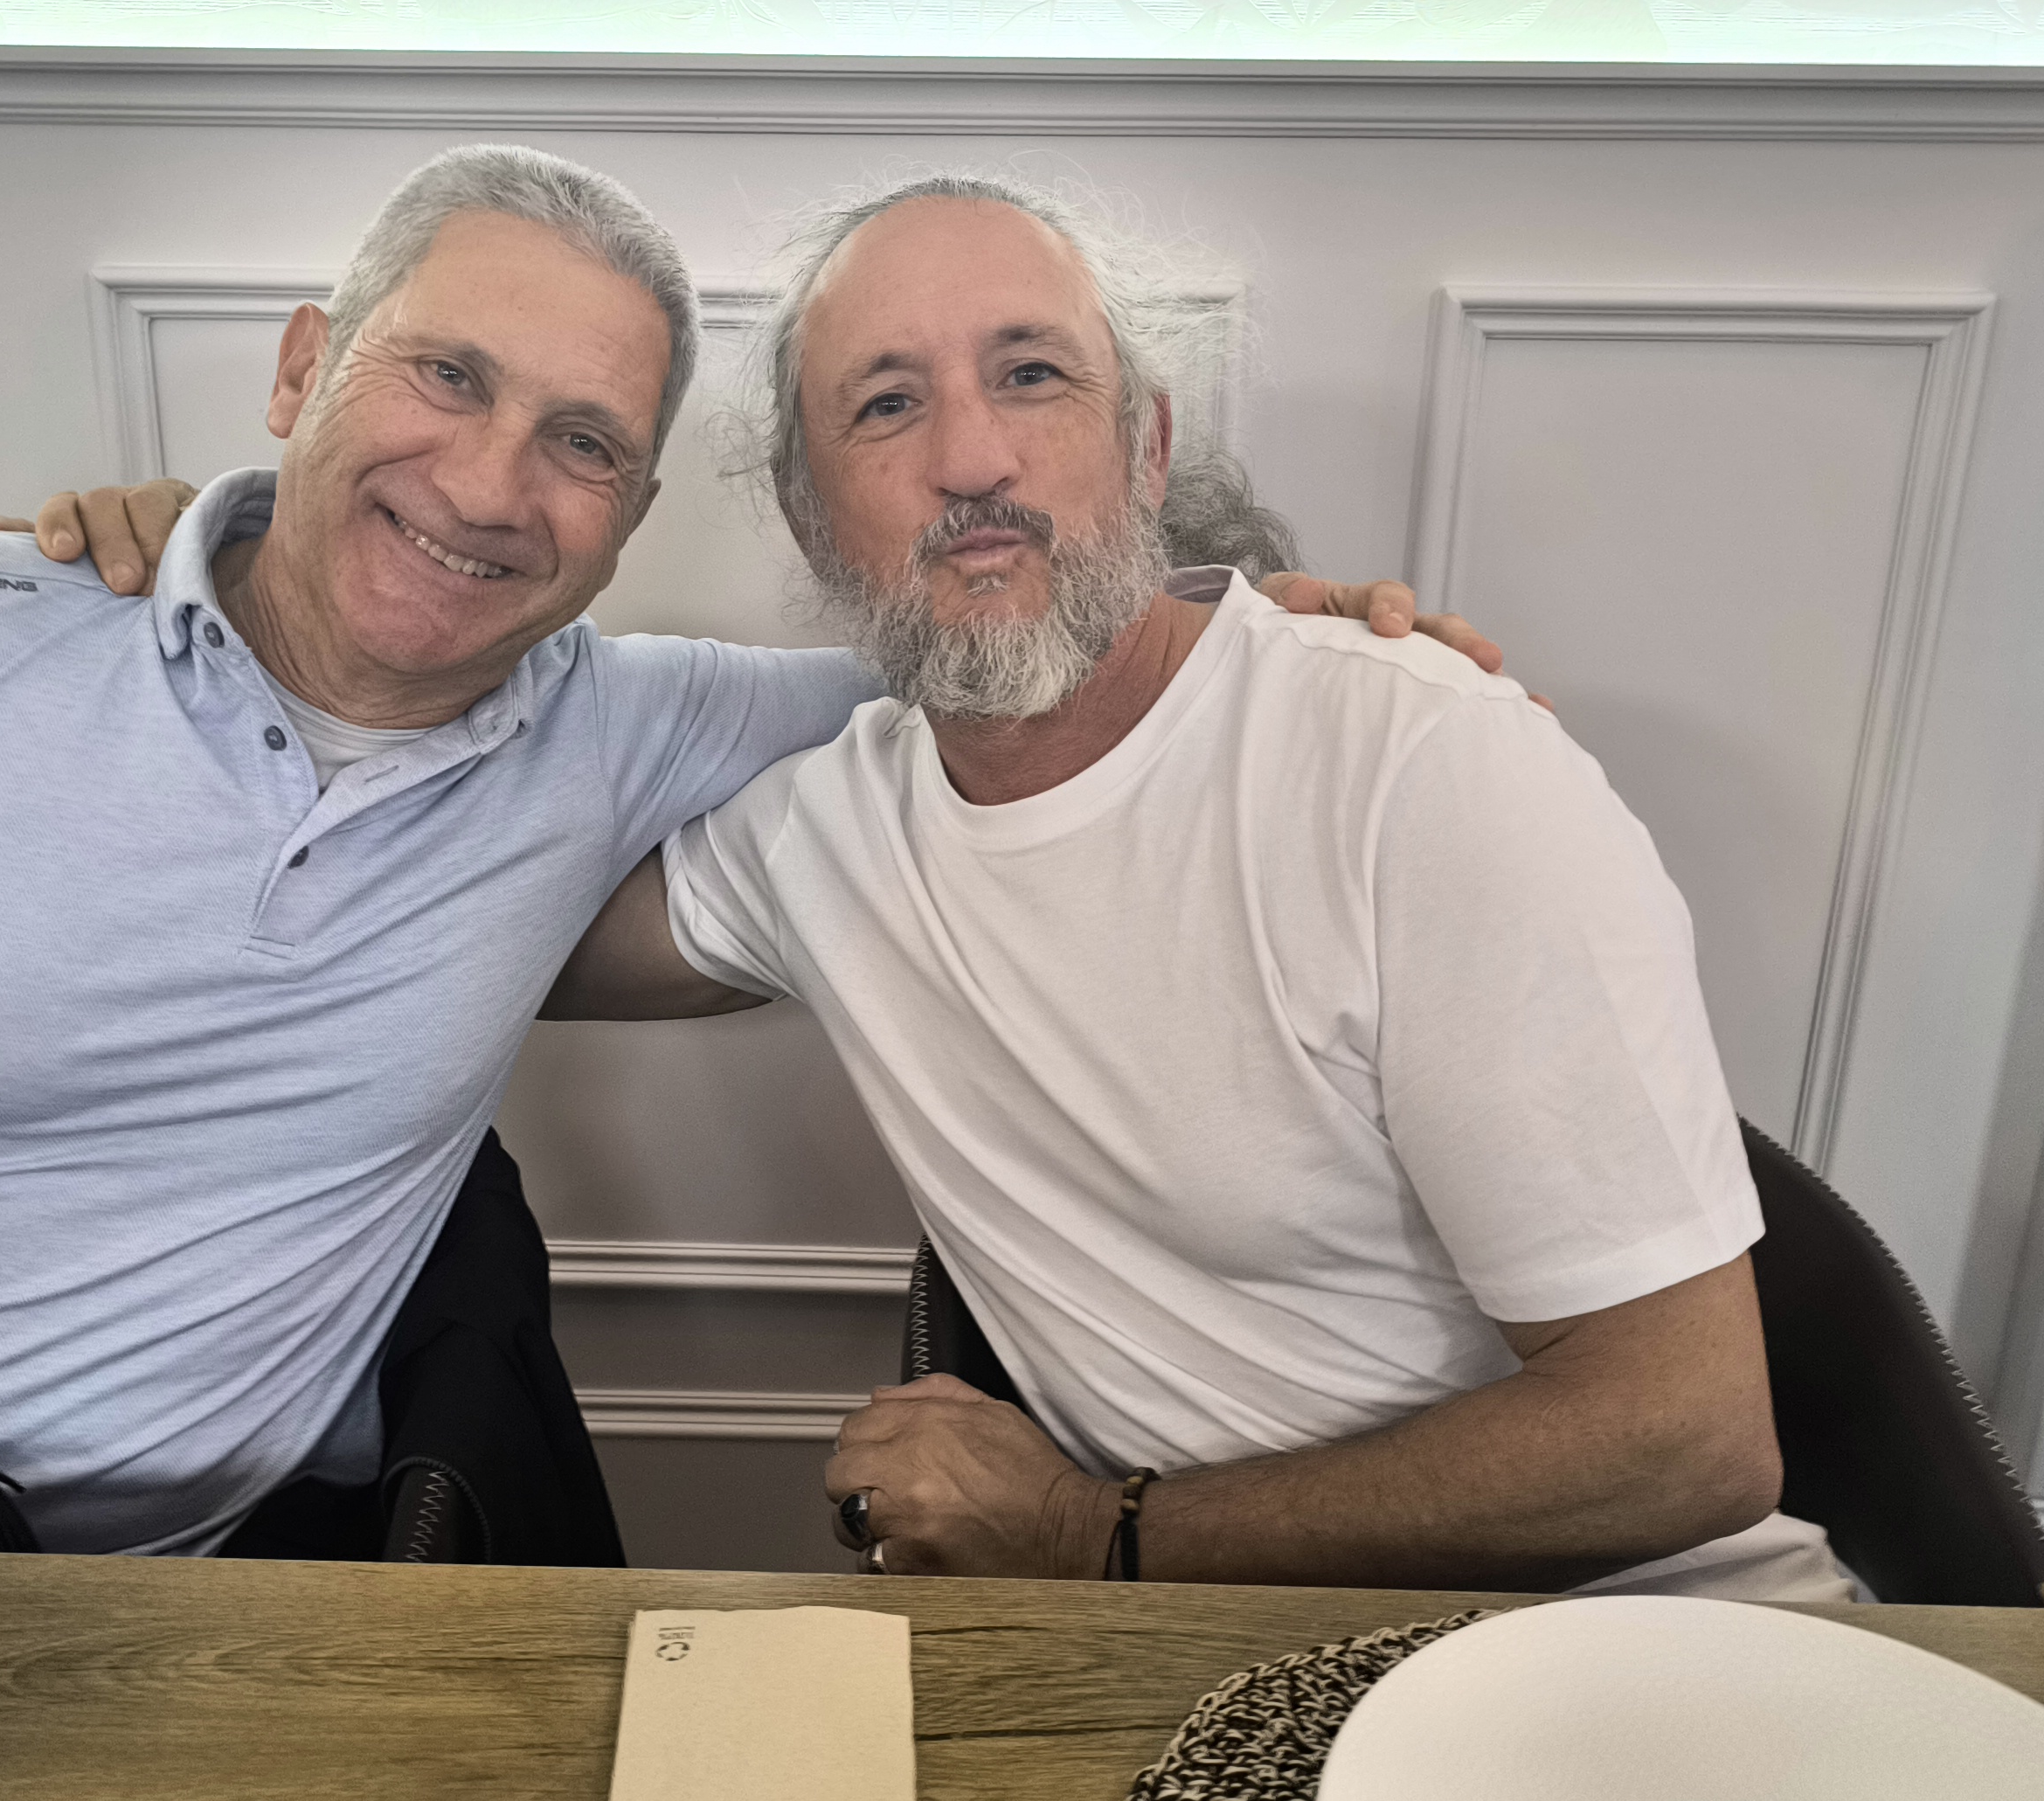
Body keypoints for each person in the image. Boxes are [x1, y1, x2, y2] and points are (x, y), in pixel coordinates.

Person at [0, 145, 1469, 1556]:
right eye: (441, 378)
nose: (488, 484)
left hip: (240, 1597)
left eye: (582, 444)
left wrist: (1272, 634)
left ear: (630, 517)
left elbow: (1024, 659)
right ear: (304, 368)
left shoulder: (629, 728)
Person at [543, 176, 1844, 1597]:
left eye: (1032, 375)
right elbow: (488, 934)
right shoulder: (823, 829)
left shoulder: (1420, 760)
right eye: (888, 404)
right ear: (811, 517)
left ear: (1147, 448)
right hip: (1208, 1660)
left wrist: (1090, 1533)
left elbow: (1684, 1440)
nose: (972, 459)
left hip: (1651, 1641)